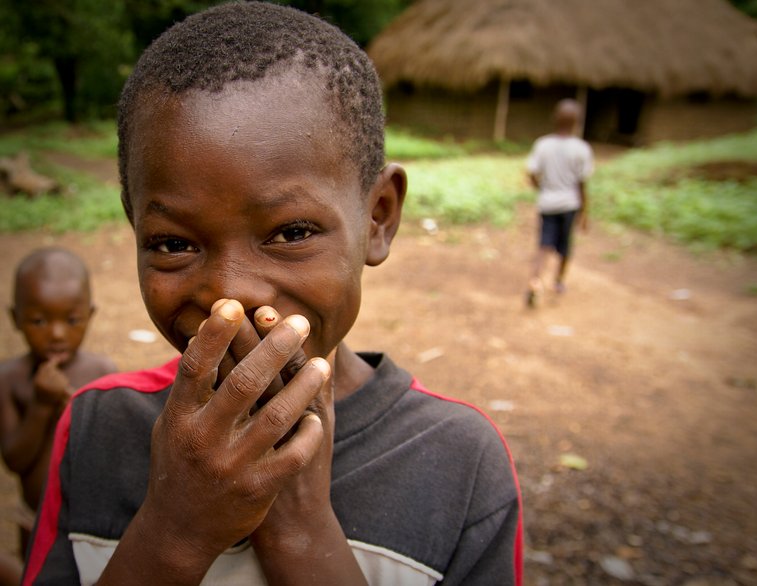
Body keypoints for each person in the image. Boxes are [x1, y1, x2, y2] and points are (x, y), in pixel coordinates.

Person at [23, 3, 523, 585]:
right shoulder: (96, 427)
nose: (230, 297)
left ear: (378, 217)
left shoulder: (457, 463)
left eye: (291, 233)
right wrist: (175, 532)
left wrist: (300, 529)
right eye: (173, 243)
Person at [1, 247, 117, 576]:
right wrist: (40, 406)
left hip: (91, 515)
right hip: (34, 516)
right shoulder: (9, 379)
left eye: (71, 320)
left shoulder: (102, 371)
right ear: (15, 318)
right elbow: (14, 459)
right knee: (35, 575)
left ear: (90, 315)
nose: (56, 333)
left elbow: (112, 448)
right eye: (38, 320)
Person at [525, 98, 594, 308]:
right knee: (565, 245)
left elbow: (532, 173)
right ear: (577, 122)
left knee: (544, 245)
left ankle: (535, 280)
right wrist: (584, 212)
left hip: (547, 202)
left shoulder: (543, 144)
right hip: (569, 205)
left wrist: (543, 189)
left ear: (555, 118)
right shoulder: (581, 149)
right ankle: (558, 281)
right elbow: (582, 184)